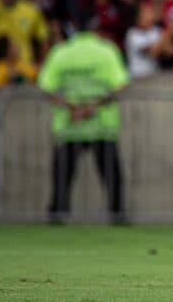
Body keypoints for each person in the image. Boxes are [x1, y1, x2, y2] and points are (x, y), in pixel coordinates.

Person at [38, 18, 131, 224]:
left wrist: (73, 108)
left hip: (69, 125)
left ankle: (57, 214)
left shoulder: (61, 52)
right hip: (102, 125)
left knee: (62, 175)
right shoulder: (106, 50)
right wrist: (91, 107)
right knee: (111, 174)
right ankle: (117, 214)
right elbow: (121, 85)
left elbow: (45, 86)